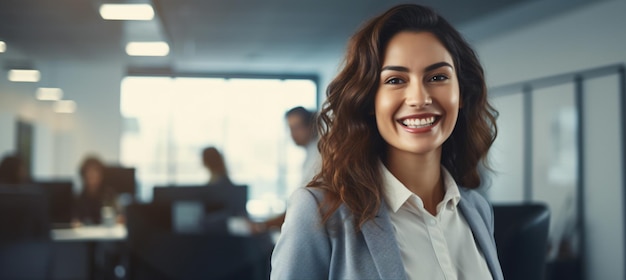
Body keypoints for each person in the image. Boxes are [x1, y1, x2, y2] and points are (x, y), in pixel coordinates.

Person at [271, 4, 503, 280]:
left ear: (461, 93)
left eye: (438, 77)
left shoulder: (475, 209)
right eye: (395, 80)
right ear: (370, 100)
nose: (419, 98)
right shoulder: (319, 212)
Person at [74, 155, 120, 225]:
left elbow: (118, 214)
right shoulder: (78, 197)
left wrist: (118, 218)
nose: (92, 175)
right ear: (83, 175)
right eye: (88, 171)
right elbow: (75, 219)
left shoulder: (109, 195)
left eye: (95, 171)